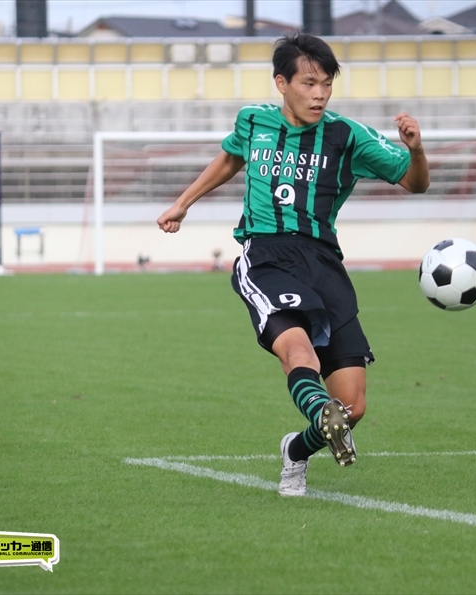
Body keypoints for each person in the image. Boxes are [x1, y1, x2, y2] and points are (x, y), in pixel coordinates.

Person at [157, 34, 429, 496]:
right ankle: (320, 413)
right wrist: (183, 203)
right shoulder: (253, 121)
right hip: (267, 256)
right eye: (309, 83)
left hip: (323, 262)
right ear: (282, 83)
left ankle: (296, 451)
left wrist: (416, 148)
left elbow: (413, 182)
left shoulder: (347, 135)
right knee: (298, 351)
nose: (320, 93)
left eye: (326, 83)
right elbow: (229, 158)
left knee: (354, 406)